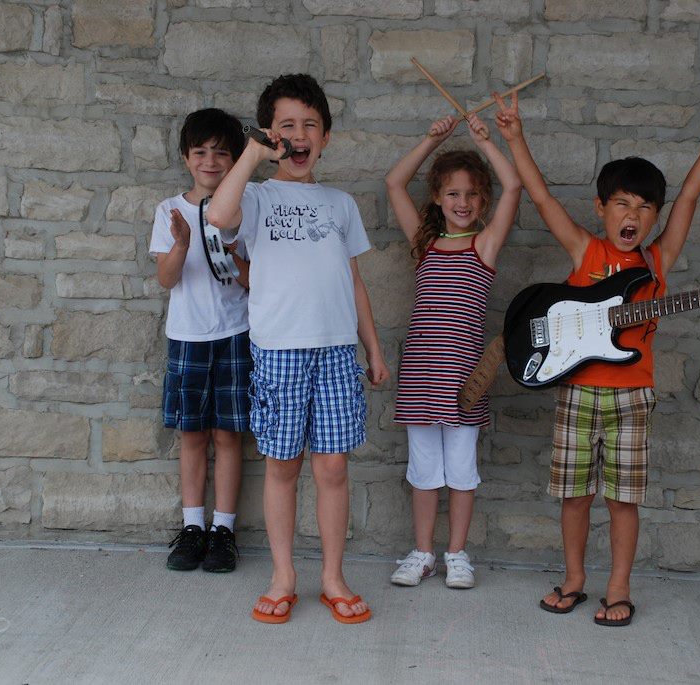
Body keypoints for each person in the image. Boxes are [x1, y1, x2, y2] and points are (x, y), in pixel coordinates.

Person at [494, 87, 700, 626]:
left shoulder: (657, 262)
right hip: (577, 392)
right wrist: (515, 137)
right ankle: (573, 580)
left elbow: (690, 196)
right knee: (573, 495)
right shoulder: (586, 251)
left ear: (654, 217)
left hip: (633, 398)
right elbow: (541, 198)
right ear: (601, 208)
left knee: (622, 499)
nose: (632, 214)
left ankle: (618, 587)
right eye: (622, 203)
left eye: (644, 206)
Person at [205, 74, 390, 624]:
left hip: (335, 351)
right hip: (280, 351)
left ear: (326, 136)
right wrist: (253, 154)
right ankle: (283, 575)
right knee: (283, 466)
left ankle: (332, 577)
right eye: (287, 125)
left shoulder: (340, 204)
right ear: (270, 134)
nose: (299, 134)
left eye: (311, 124)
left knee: (332, 468)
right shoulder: (257, 196)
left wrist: (373, 349)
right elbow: (218, 216)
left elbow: (353, 281)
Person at [385, 114, 521, 589]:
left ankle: (457, 555)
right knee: (424, 471)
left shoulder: (485, 245)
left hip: (465, 382)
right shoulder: (425, 243)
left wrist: (487, 142)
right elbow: (394, 183)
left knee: (462, 471)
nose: (462, 202)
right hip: (422, 378)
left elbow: (514, 184)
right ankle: (423, 553)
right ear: (438, 199)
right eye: (453, 194)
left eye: (472, 194)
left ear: (483, 201)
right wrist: (431, 139)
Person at [149, 108, 251, 574]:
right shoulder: (169, 211)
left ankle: (223, 530)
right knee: (192, 434)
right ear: (186, 157)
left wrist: (229, 248)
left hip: (234, 333)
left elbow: (253, 280)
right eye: (201, 152)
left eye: (221, 153)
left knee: (228, 434)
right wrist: (182, 243)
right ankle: (192, 527)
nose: (210, 161)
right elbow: (166, 279)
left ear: (235, 160)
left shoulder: (243, 209)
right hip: (188, 336)